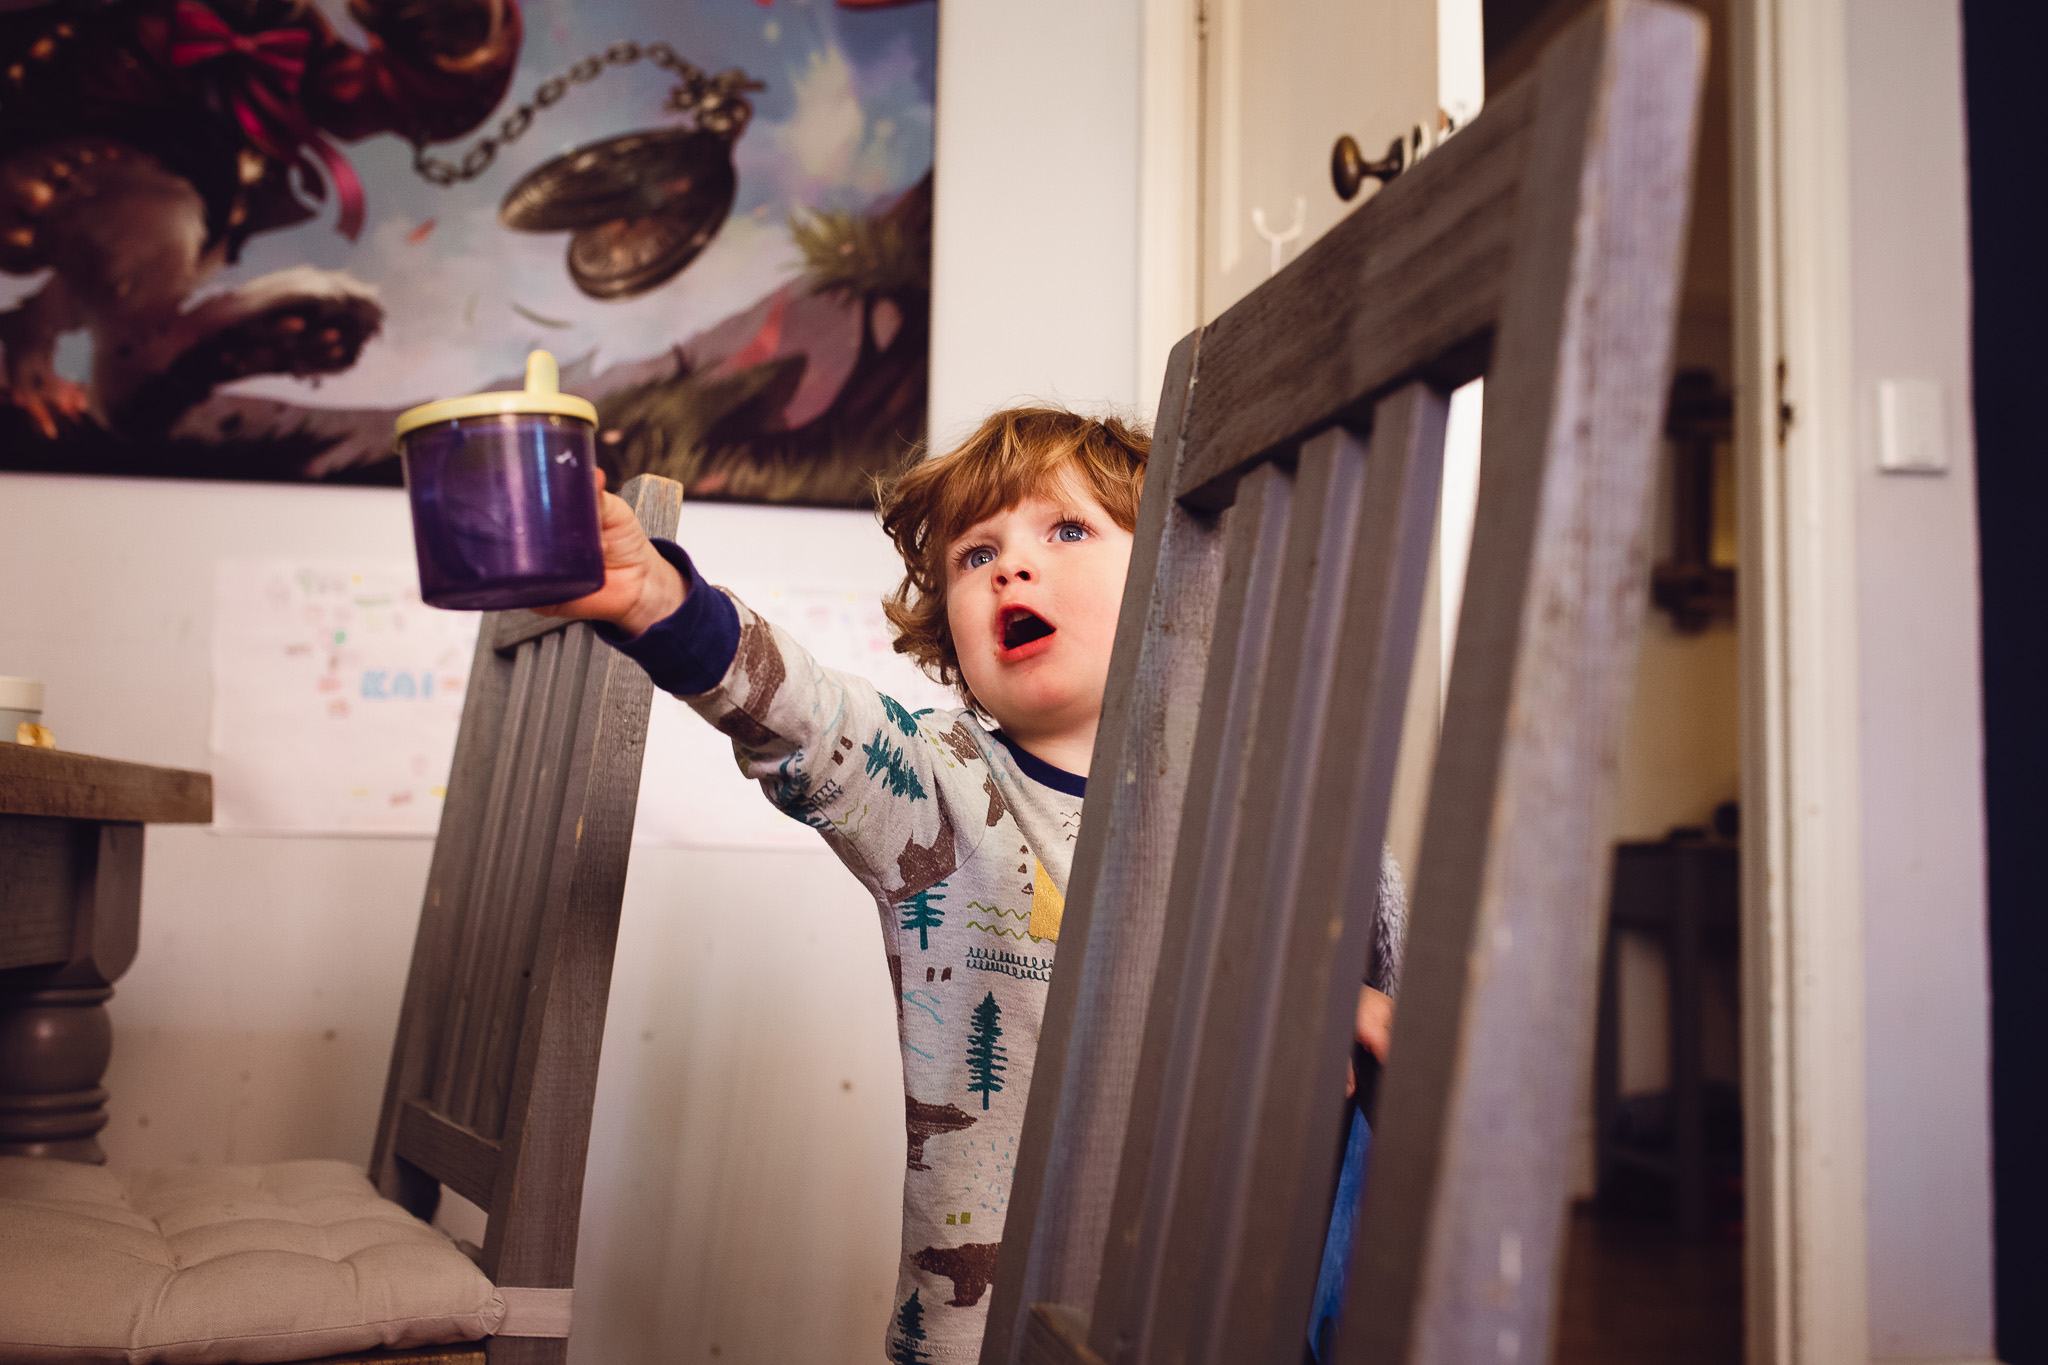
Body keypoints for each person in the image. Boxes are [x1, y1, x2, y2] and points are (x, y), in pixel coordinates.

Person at [542, 406, 1402, 1362]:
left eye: (1067, 529)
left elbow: (1366, 989)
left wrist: (1341, 998)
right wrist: (658, 598)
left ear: (1185, 579)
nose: (1010, 567)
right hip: (993, 1331)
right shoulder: (937, 780)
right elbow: (807, 716)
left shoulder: (1274, 804)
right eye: (973, 553)